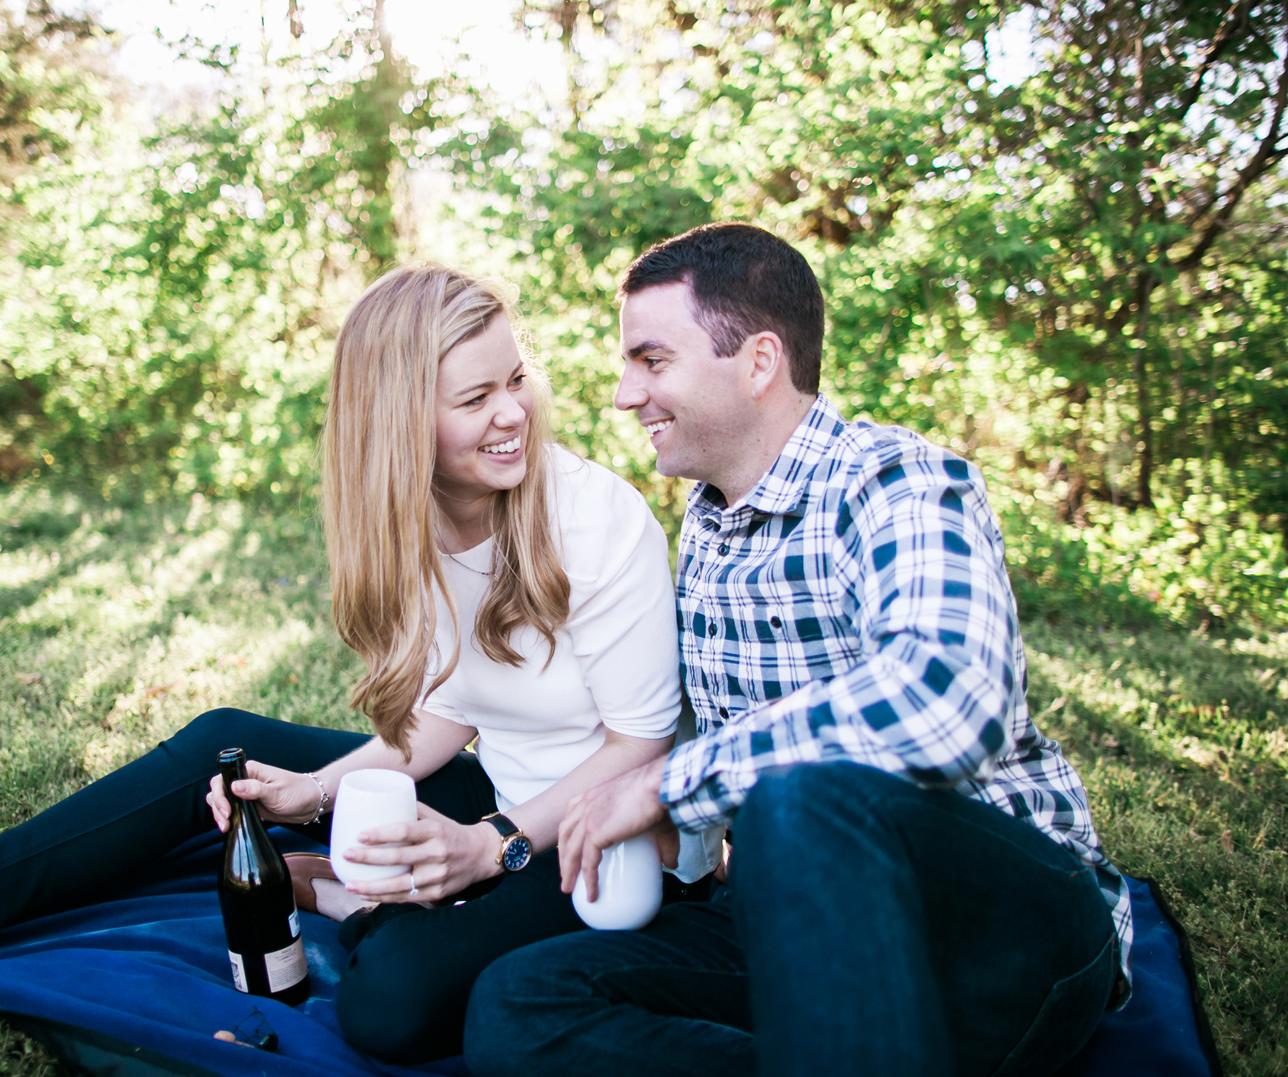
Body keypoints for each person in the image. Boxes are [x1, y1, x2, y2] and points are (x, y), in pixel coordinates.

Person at [0, 264, 716, 1064]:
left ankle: (331, 889)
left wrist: (489, 846)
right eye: (475, 396)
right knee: (226, 749)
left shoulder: (595, 520)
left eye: (515, 379)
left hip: (607, 841)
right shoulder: (413, 528)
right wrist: (315, 787)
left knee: (389, 1009)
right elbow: (450, 716)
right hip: (493, 785)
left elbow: (640, 749)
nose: (512, 412)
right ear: (400, 419)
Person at [462, 224, 1133, 1077]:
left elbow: (949, 696)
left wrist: (665, 784)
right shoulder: (705, 527)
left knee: (797, 797)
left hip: (1002, 938)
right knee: (519, 1008)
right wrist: (669, 828)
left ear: (758, 361)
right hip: (803, 933)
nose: (627, 394)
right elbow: (714, 752)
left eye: (652, 360)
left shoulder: (899, 482)